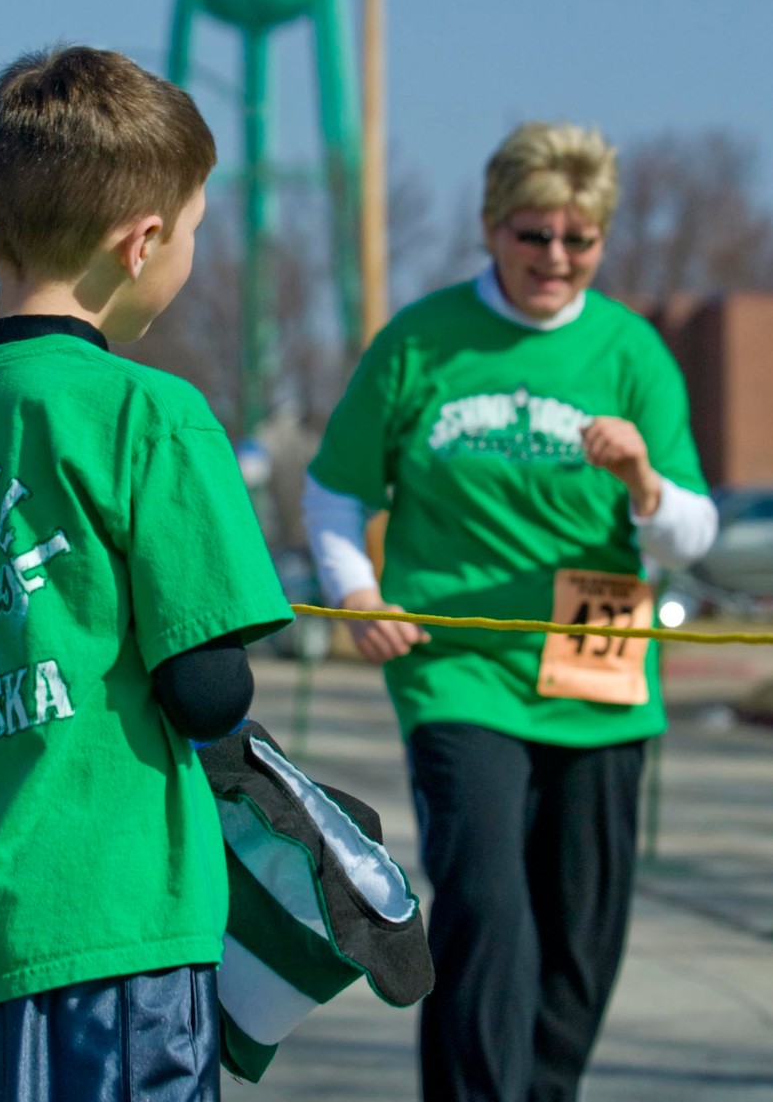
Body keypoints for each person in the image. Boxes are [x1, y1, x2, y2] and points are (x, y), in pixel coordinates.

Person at [0, 46, 294, 1102]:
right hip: (117, 934)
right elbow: (207, 689)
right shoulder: (153, 416)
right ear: (141, 245)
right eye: (188, 233)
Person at [303, 121, 718, 1102]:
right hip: (459, 672)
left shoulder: (631, 354)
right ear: (493, 228)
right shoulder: (421, 341)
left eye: (580, 241)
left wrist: (644, 483)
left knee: (579, 935)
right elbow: (333, 490)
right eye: (534, 236)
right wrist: (354, 592)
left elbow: (693, 535)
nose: (556, 260)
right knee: (486, 904)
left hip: (599, 674)